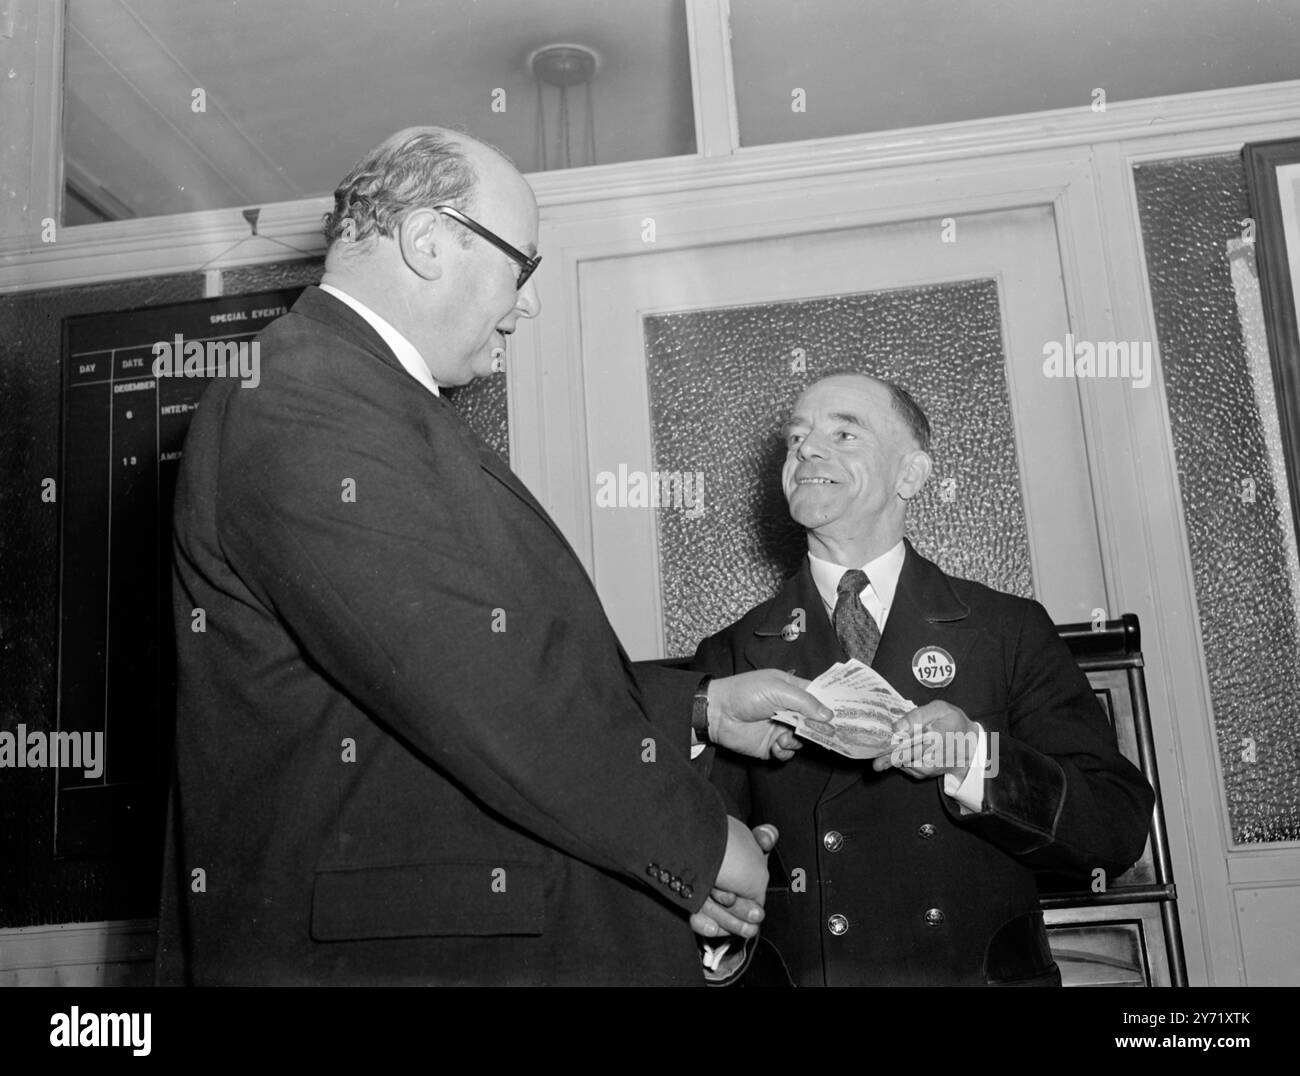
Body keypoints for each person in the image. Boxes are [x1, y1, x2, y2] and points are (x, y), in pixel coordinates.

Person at [155, 127, 829, 986]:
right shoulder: (304, 391)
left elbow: (457, 668)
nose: (527, 304)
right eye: (524, 267)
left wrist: (699, 710)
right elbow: (476, 679)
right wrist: (698, 844)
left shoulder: (352, 392)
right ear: (428, 241)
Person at [693, 372, 1155, 986]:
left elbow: (1115, 829)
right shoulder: (731, 655)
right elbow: (705, 867)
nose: (805, 448)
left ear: (911, 475)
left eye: (844, 432)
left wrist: (974, 761)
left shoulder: (1006, 629)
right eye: (796, 436)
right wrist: (714, 899)